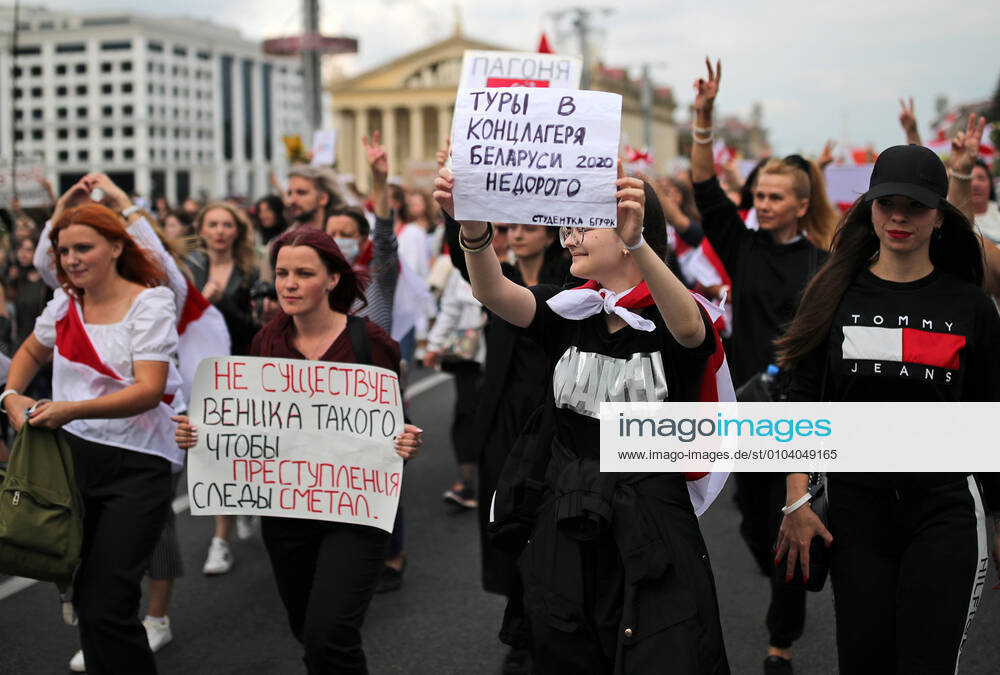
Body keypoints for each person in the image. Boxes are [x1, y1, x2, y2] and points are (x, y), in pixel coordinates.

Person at [434, 163, 730, 674]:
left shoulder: (674, 314)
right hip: (566, 512)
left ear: (629, 230)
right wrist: (475, 232)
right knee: (567, 650)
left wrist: (642, 248)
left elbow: (689, 333)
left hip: (649, 520)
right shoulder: (572, 308)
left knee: (658, 653)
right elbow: (493, 293)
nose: (568, 236)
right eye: (567, 224)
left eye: (584, 223)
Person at [775, 142, 1000, 674]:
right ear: (869, 208)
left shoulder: (970, 306)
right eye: (886, 203)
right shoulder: (832, 294)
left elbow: (989, 413)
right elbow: (803, 402)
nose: (899, 216)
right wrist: (795, 499)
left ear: (941, 218)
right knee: (864, 661)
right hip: (856, 515)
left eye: (916, 206)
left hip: (943, 511)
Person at [174, 227, 422, 674]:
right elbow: (247, 424)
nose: (288, 283)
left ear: (331, 280)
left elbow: (394, 423)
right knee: (307, 630)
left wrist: (406, 439)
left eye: (304, 273)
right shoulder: (265, 343)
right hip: (287, 514)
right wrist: (201, 435)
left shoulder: (370, 343)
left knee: (332, 634)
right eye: (282, 272)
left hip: (356, 513)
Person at [690, 58, 838, 675]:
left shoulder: (828, 261)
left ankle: (780, 643)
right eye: (759, 196)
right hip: (745, 409)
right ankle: (790, 573)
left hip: (801, 412)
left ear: (803, 204)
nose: (763, 204)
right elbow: (704, 191)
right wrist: (703, 118)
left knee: (790, 515)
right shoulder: (742, 246)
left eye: (776, 197)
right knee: (754, 524)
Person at [3, 180, 183, 674]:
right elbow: (28, 352)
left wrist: (68, 410)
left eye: (83, 248)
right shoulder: (63, 304)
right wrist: (10, 395)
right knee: (88, 598)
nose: (72, 259)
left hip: (140, 465)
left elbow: (148, 389)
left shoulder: (151, 302)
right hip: (73, 463)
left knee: (108, 599)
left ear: (117, 247)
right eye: (63, 251)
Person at [184, 202, 259, 574]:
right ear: (202, 228)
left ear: (237, 230)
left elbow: (254, 327)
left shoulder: (250, 270)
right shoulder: (189, 268)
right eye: (212, 224)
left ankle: (224, 534)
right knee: (214, 455)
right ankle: (223, 535)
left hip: (240, 370)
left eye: (227, 224)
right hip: (199, 373)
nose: (219, 231)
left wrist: (222, 301)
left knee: (235, 453)